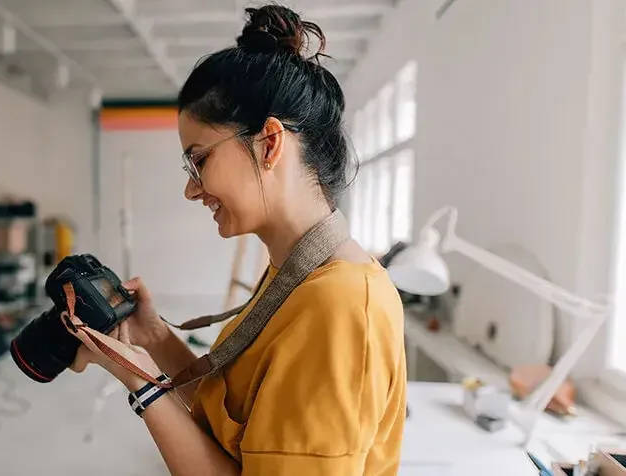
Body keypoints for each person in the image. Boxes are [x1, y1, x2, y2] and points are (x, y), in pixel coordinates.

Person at [66, 4, 407, 475]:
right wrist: (155, 338)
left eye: (199, 160)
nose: (191, 189)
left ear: (269, 143)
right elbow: (237, 428)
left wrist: (136, 378)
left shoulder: (342, 305)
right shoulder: (298, 275)